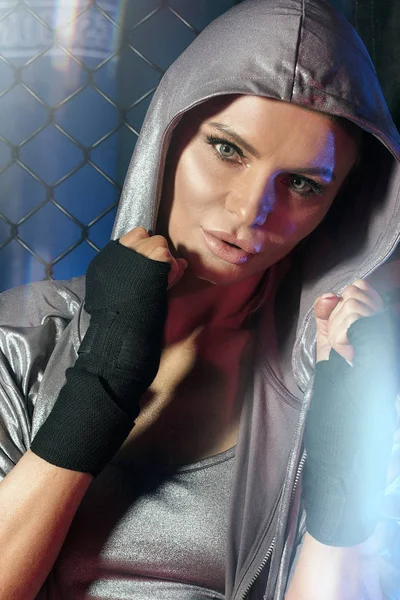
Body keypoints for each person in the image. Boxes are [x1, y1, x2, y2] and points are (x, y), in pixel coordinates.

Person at [0, 0, 399, 598]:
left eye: (301, 184)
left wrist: (342, 489)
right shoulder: (25, 336)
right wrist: (104, 377)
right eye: (228, 150)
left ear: (341, 203)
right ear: (171, 135)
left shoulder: (339, 377)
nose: (248, 213)